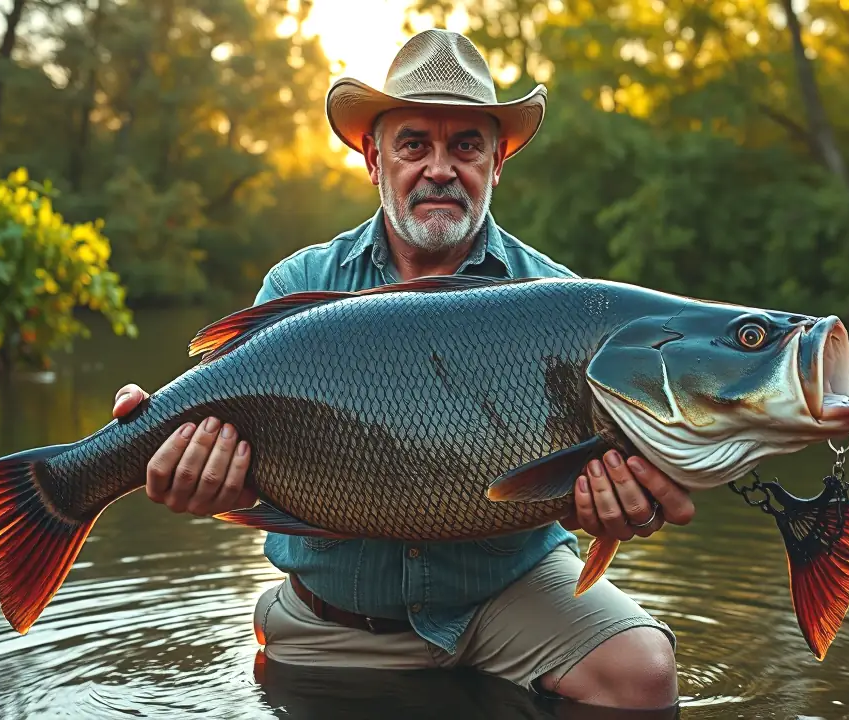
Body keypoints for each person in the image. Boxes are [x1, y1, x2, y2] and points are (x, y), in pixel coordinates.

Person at [110, 29, 695, 711]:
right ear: (373, 158)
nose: (440, 169)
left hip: (508, 597)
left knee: (642, 675)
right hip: (338, 617)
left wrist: (623, 506)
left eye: (466, 147)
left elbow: (619, 477)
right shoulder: (299, 283)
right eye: (414, 144)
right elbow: (244, 468)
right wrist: (190, 466)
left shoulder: (562, 301)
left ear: (497, 164)